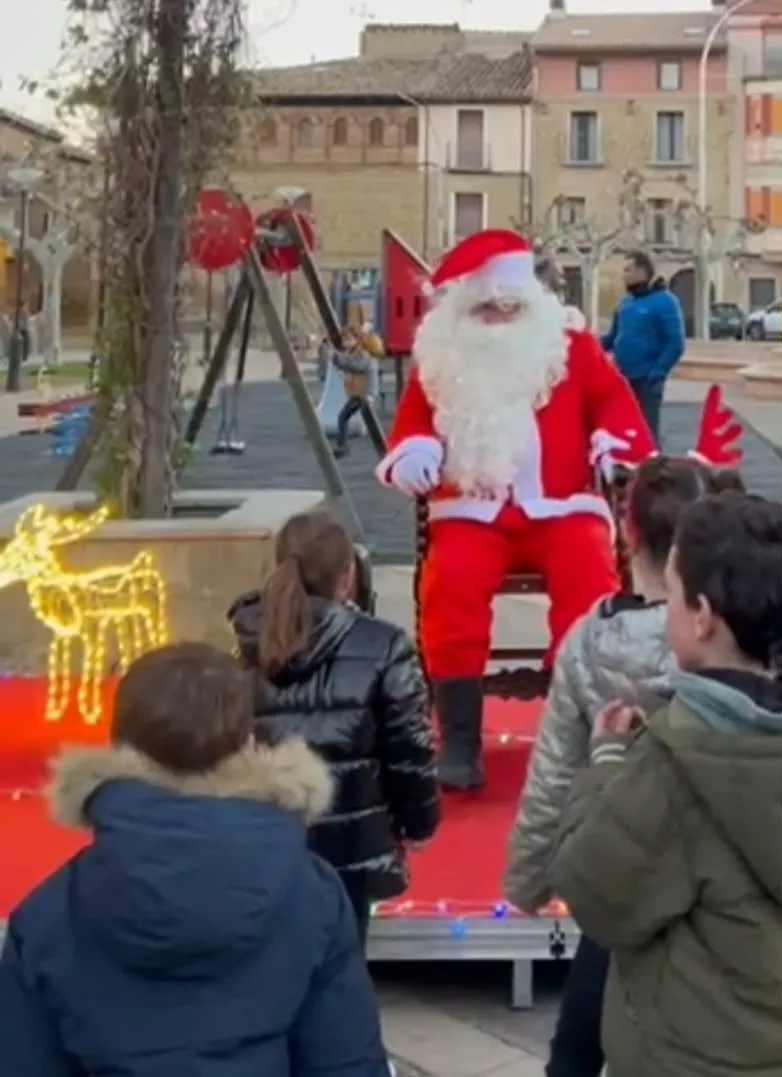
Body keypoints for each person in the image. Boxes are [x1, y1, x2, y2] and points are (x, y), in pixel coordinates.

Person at [548, 492, 782, 1077]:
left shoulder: (676, 760)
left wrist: (606, 761)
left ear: (702, 616)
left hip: (689, 1054)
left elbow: (597, 897)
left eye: (671, 593)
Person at [0, 642, 392, 1077]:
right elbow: (346, 1063)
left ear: (118, 748)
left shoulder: (48, 915)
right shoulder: (313, 895)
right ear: (247, 743)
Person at [375, 228, 654, 789]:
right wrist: (416, 451)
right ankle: (459, 740)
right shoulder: (441, 357)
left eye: (512, 306)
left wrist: (613, 446)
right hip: (472, 508)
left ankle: (578, 722)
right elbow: (413, 424)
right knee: (451, 582)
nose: (501, 317)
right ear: (464, 307)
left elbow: (613, 404)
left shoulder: (571, 347)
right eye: (488, 308)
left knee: (589, 578)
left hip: (564, 506)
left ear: (532, 302)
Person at [505, 453, 745, 1077]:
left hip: (621, 862)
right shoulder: (732, 631)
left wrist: (528, 881)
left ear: (626, 529)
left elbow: (555, 771)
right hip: (717, 872)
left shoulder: (589, 641)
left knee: (577, 1050)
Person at [229, 509, 439, 945]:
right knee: (341, 963)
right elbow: (409, 748)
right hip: (351, 845)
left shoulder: (243, 642)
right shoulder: (384, 645)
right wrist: (419, 823)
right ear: (348, 577)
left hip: (265, 842)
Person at [599, 250, 685, 445]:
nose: (624, 275)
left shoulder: (666, 301)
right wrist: (586, 344)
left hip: (647, 381)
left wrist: (658, 372)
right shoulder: (625, 303)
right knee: (624, 432)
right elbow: (612, 338)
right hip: (622, 378)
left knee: (647, 434)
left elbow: (675, 343)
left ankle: (653, 462)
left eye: (628, 270)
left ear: (642, 271)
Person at [333, 323, 385, 457]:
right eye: (344, 340)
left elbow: (356, 365)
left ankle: (343, 445)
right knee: (344, 417)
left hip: (365, 394)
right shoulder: (353, 354)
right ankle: (342, 445)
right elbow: (348, 363)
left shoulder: (363, 354)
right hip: (357, 394)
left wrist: (337, 358)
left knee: (346, 417)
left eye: (348, 340)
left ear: (357, 340)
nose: (345, 343)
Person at [536, 253, 586, 330]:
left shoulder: (552, 292)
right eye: (556, 271)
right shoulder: (539, 293)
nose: (560, 273)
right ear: (547, 272)